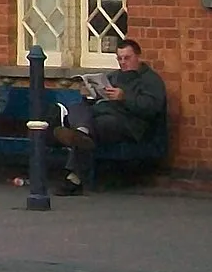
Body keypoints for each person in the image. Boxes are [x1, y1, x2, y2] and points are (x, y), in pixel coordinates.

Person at [54, 37, 166, 195]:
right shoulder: (114, 77)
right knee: (78, 108)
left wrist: (124, 98)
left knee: (99, 125)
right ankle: (81, 133)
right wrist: (90, 94)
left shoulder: (150, 80)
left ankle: (75, 173)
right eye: (119, 59)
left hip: (130, 123)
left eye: (127, 58)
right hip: (103, 113)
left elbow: (151, 107)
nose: (123, 62)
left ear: (138, 57)